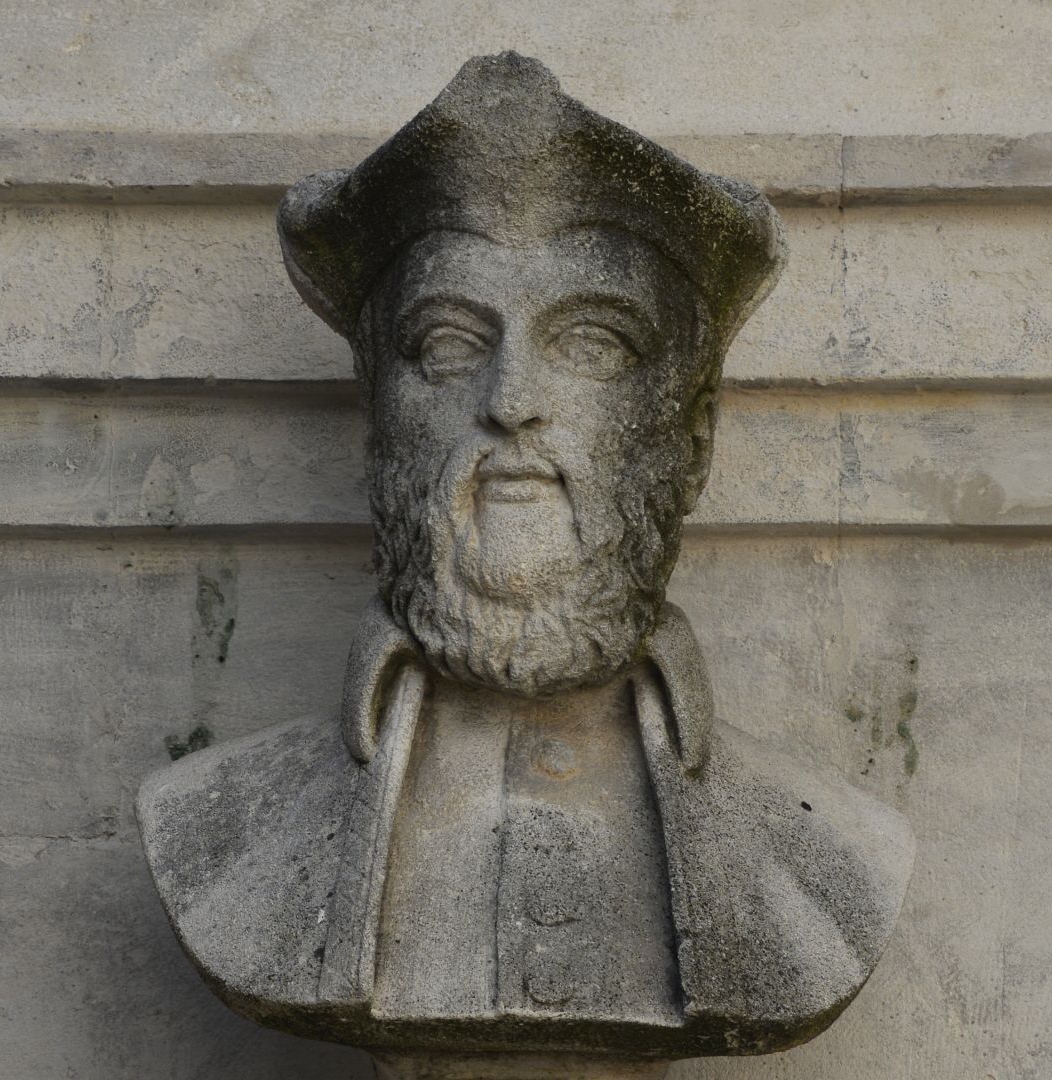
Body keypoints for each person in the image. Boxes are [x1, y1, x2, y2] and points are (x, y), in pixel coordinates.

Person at [138, 52, 913, 1069]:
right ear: (378, 425)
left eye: (591, 343)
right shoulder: (215, 830)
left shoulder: (835, 857)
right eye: (451, 346)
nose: (510, 400)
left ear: (691, 437)